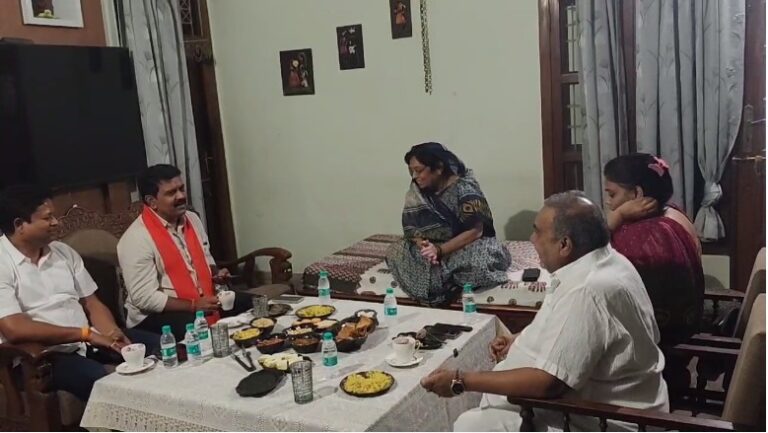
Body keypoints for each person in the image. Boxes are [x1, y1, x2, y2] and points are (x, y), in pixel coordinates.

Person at [420, 191, 668, 431]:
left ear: (564, 244)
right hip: (599, 402)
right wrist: (520, 339)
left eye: (538, 232)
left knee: (472, 425)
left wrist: (461, 379)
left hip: (602, 419)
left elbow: (548, 384)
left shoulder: (587, 289)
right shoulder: (604, 261)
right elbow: (575, 327)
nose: (532, 239)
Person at [0, 185, 160, 402]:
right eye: (47, 218)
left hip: (86, 342)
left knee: (158, 346)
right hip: (41, 357)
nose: (56, 222)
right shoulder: (3, 262)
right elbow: (14, 328)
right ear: (19, 224)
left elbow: (91, 303)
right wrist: (85, 334)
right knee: (99, 380)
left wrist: (111, 332)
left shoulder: (63, 252)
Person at [603, 153, 704, 403]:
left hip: (659, 342)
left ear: (637, 194)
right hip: (686, 324)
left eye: (612, 194)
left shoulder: (644, 235)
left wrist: (617, 218)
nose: (608, 202)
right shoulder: (672, 212)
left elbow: (590, 260)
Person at [118, 164, 250, 341]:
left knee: (252, 304)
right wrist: (193, 306)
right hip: (156, 315)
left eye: (181, 189)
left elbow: (205, 257)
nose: (181, 196)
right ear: (152, 201)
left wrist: (216, 274)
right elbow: (144, 298)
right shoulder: (136, 239)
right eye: (171, 193)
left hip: (202, 300)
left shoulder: (192, 219)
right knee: (196, 329)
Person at [385, 142, 511, 305]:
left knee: (482, 260)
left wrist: (440, 250)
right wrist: (425, 247)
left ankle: (442, 281)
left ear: (438, 168)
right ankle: (443, 278)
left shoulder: (464, 187)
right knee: (396, 251)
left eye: (419, 170)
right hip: (433, 246)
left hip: (463, 245)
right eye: (411, 171)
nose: (414, 176)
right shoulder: (418, 191)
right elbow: (412, 228)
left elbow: (476, 231)